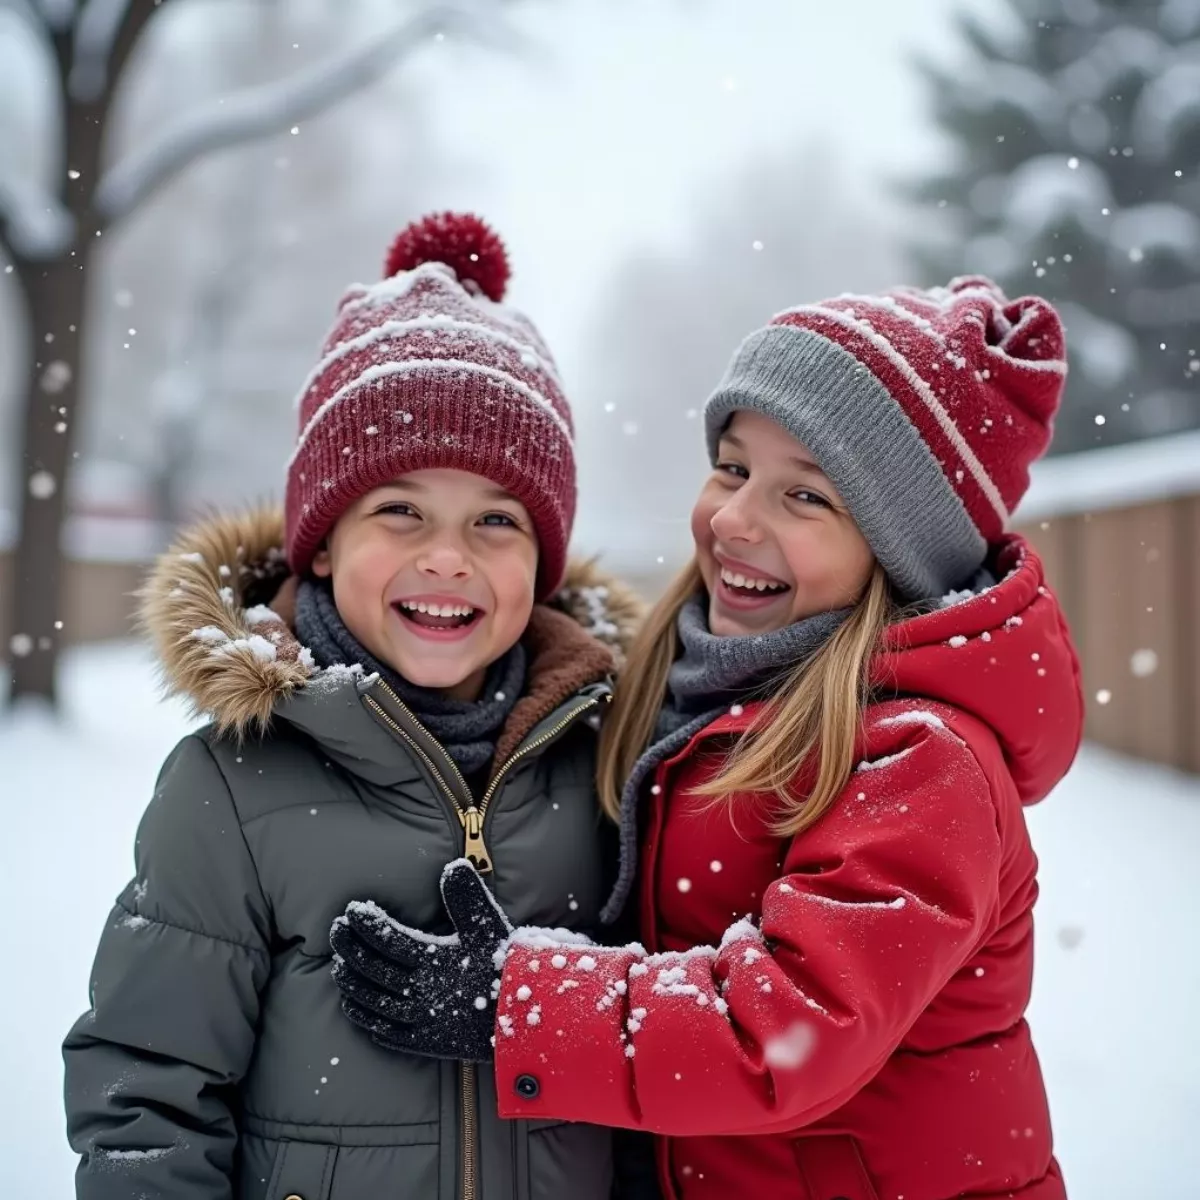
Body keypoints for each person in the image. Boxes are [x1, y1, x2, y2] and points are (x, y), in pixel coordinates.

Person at [330, 276, 1084, 1200]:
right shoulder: (698, 691)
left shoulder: (920, 759)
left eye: (805, 497)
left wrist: (518, 1002)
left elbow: (785, 1027)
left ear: (900, 551)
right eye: (732, 469)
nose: (733, 519)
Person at [62, 212, 653, 1200]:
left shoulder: (607, 768)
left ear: (543, 566)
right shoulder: (233, 786)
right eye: (400, 509)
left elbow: (651, 1086)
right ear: (323, 544)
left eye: (496, 521)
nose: (448, 557)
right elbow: (147, 1098)